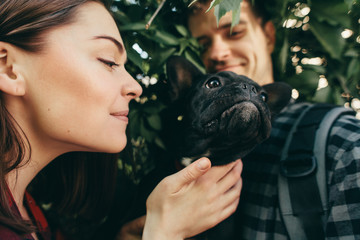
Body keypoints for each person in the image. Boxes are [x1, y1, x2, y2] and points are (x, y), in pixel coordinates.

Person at [0, 0, 243, 239]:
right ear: (8, 68)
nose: (135, 87)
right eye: (108, 61)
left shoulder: (28, 211)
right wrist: (163, 234)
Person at [118, 0, 360, 239]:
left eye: (235, 32)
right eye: (203, 45)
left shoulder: (342, 143)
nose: (217, 53)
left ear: (268, 35)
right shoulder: (167, 160)